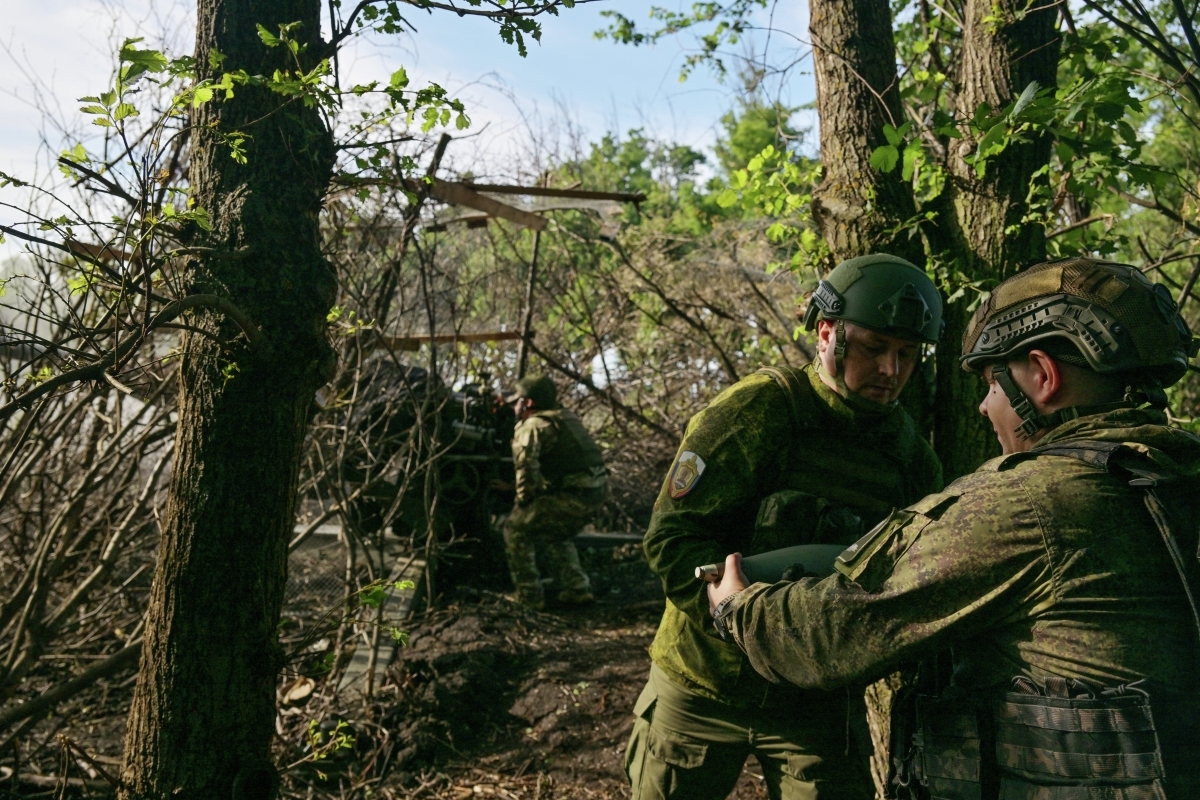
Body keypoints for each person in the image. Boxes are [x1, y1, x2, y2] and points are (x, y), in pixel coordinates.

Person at [710, 257, 1200, 799]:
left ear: (1043, 376)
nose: (985, 407)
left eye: (992, 384)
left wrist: (738, 608)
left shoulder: (1026, 501)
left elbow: (834, 634)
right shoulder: (1178, 474)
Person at [626, 253, 945, 800]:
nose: (891, 371)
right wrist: (728, 610)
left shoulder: (910, 458)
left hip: (816, 701)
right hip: (703, 684)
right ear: (827, 334)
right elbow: (672, 539)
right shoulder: (759, 411)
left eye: (906, 355)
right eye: (874, 348)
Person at [502, 374, 607, 610]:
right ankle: (578, 589)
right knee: (554, 531)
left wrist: (522, 501)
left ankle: (529, 596)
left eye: (517, 401)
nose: (514, 406)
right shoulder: (565, 417)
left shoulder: (532, 426)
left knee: (515, 528)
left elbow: (526, 470)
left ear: (528, 403)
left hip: (573, 497)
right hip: (595, 494)